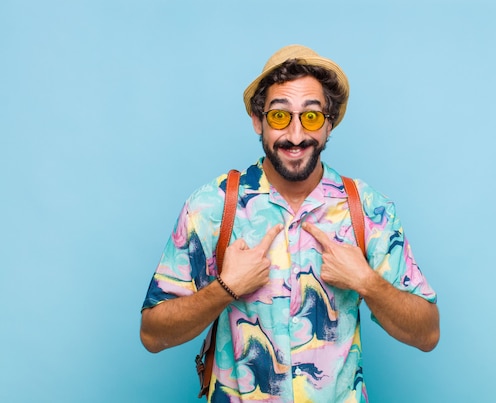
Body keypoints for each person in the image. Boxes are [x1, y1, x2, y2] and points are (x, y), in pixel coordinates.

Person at [140, 44, 439, 402]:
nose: (296, 136)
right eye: (280, 116)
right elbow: (152, 335)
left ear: (329, 124)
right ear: (258, 121)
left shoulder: (367, 210)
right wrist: (226, 287)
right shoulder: (212, 207)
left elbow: (427, 334)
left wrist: (366, 283)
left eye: (311, 117)